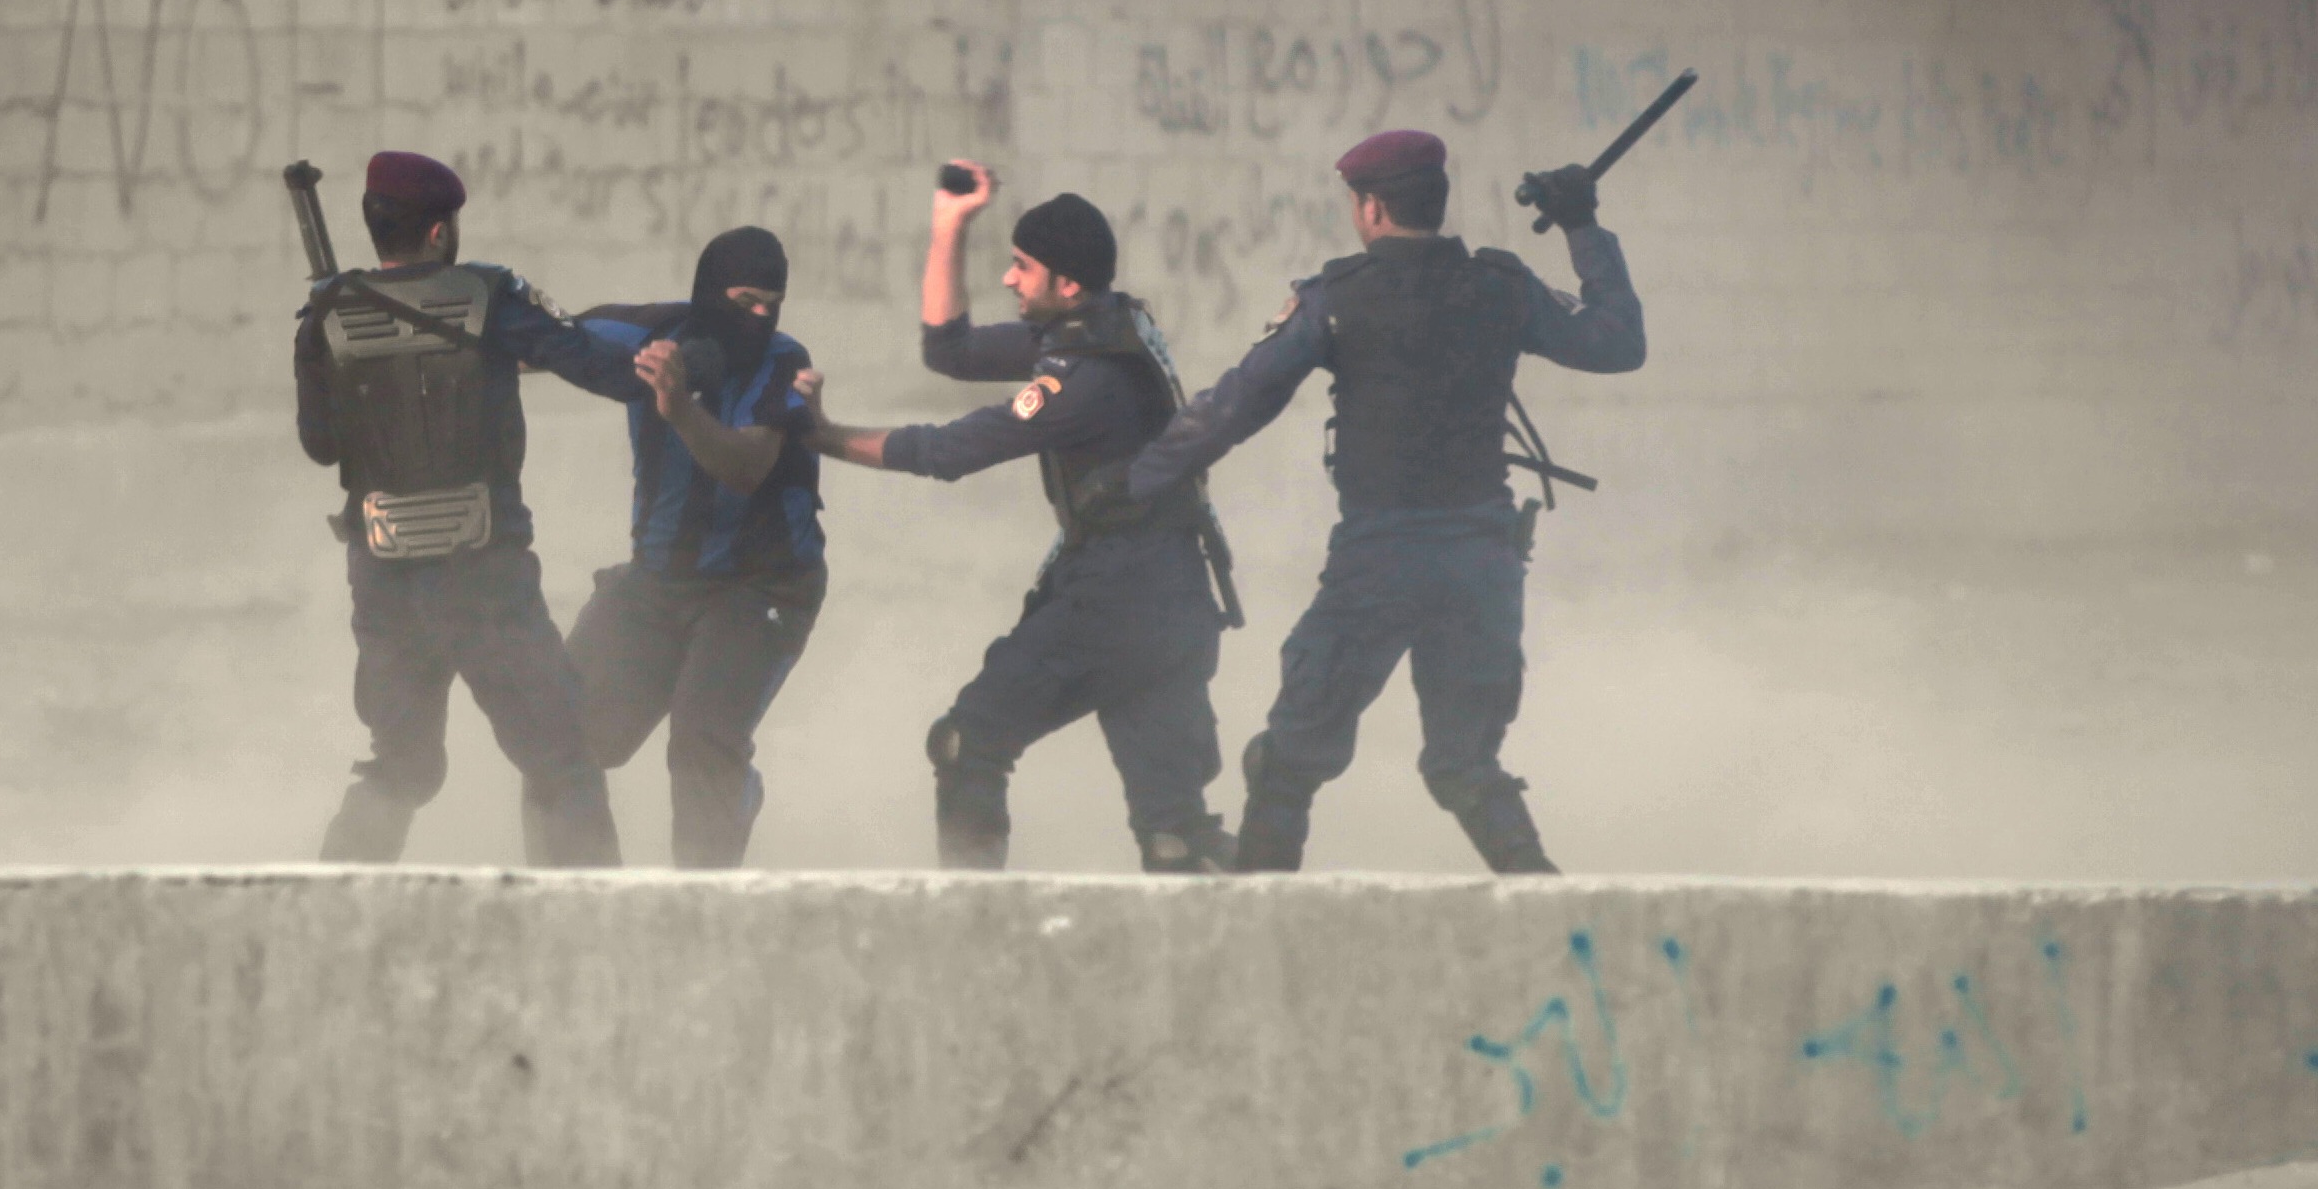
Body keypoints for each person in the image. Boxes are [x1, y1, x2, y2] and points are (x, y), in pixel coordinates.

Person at [1125, 129, 1646, 875]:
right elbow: (1616, 342)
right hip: (1482, 560)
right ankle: (1557, 928)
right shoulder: (1502, 286)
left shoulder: (1337, 298)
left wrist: (1134, 484)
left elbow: (1237, 404)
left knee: (1288, 763)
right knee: (1464, 766)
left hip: (1380, 562)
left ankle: (1256, 934)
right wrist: (1582, 226)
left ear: (1370, 208)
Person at [793, 165, 1237, 873]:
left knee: (967, 743)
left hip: (1119, 597)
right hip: (1169, 601)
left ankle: (971, 929)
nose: (1007, 278)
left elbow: (947, 451)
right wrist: (950, 224)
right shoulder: (1106, 327)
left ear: (1065, 283)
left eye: (1021, 267)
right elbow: (949, 349)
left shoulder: (1083, 375)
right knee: (1175, 834)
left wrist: (821, 436)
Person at [293, 150, 644, 866]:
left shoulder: (325, 313)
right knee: (561, 761)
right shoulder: (489, 297)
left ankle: (329, 918)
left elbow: (321, 445)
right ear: (437, 233)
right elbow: (598, 366)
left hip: (384, 579)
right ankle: (593, 938)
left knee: (401, 770)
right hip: (483, 577)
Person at [562, 228, 825, 868]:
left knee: (703, 743)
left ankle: (701, 912)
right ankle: (579, 898)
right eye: (744, 299)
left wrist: (678, 407)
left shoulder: (785, 363)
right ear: (709, 294)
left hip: (761, 588)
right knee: (557, 734)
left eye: (772, 303)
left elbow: (746, 467)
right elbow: (533, 343)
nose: (759, 317)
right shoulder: (647, 334)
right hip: (656, 582)